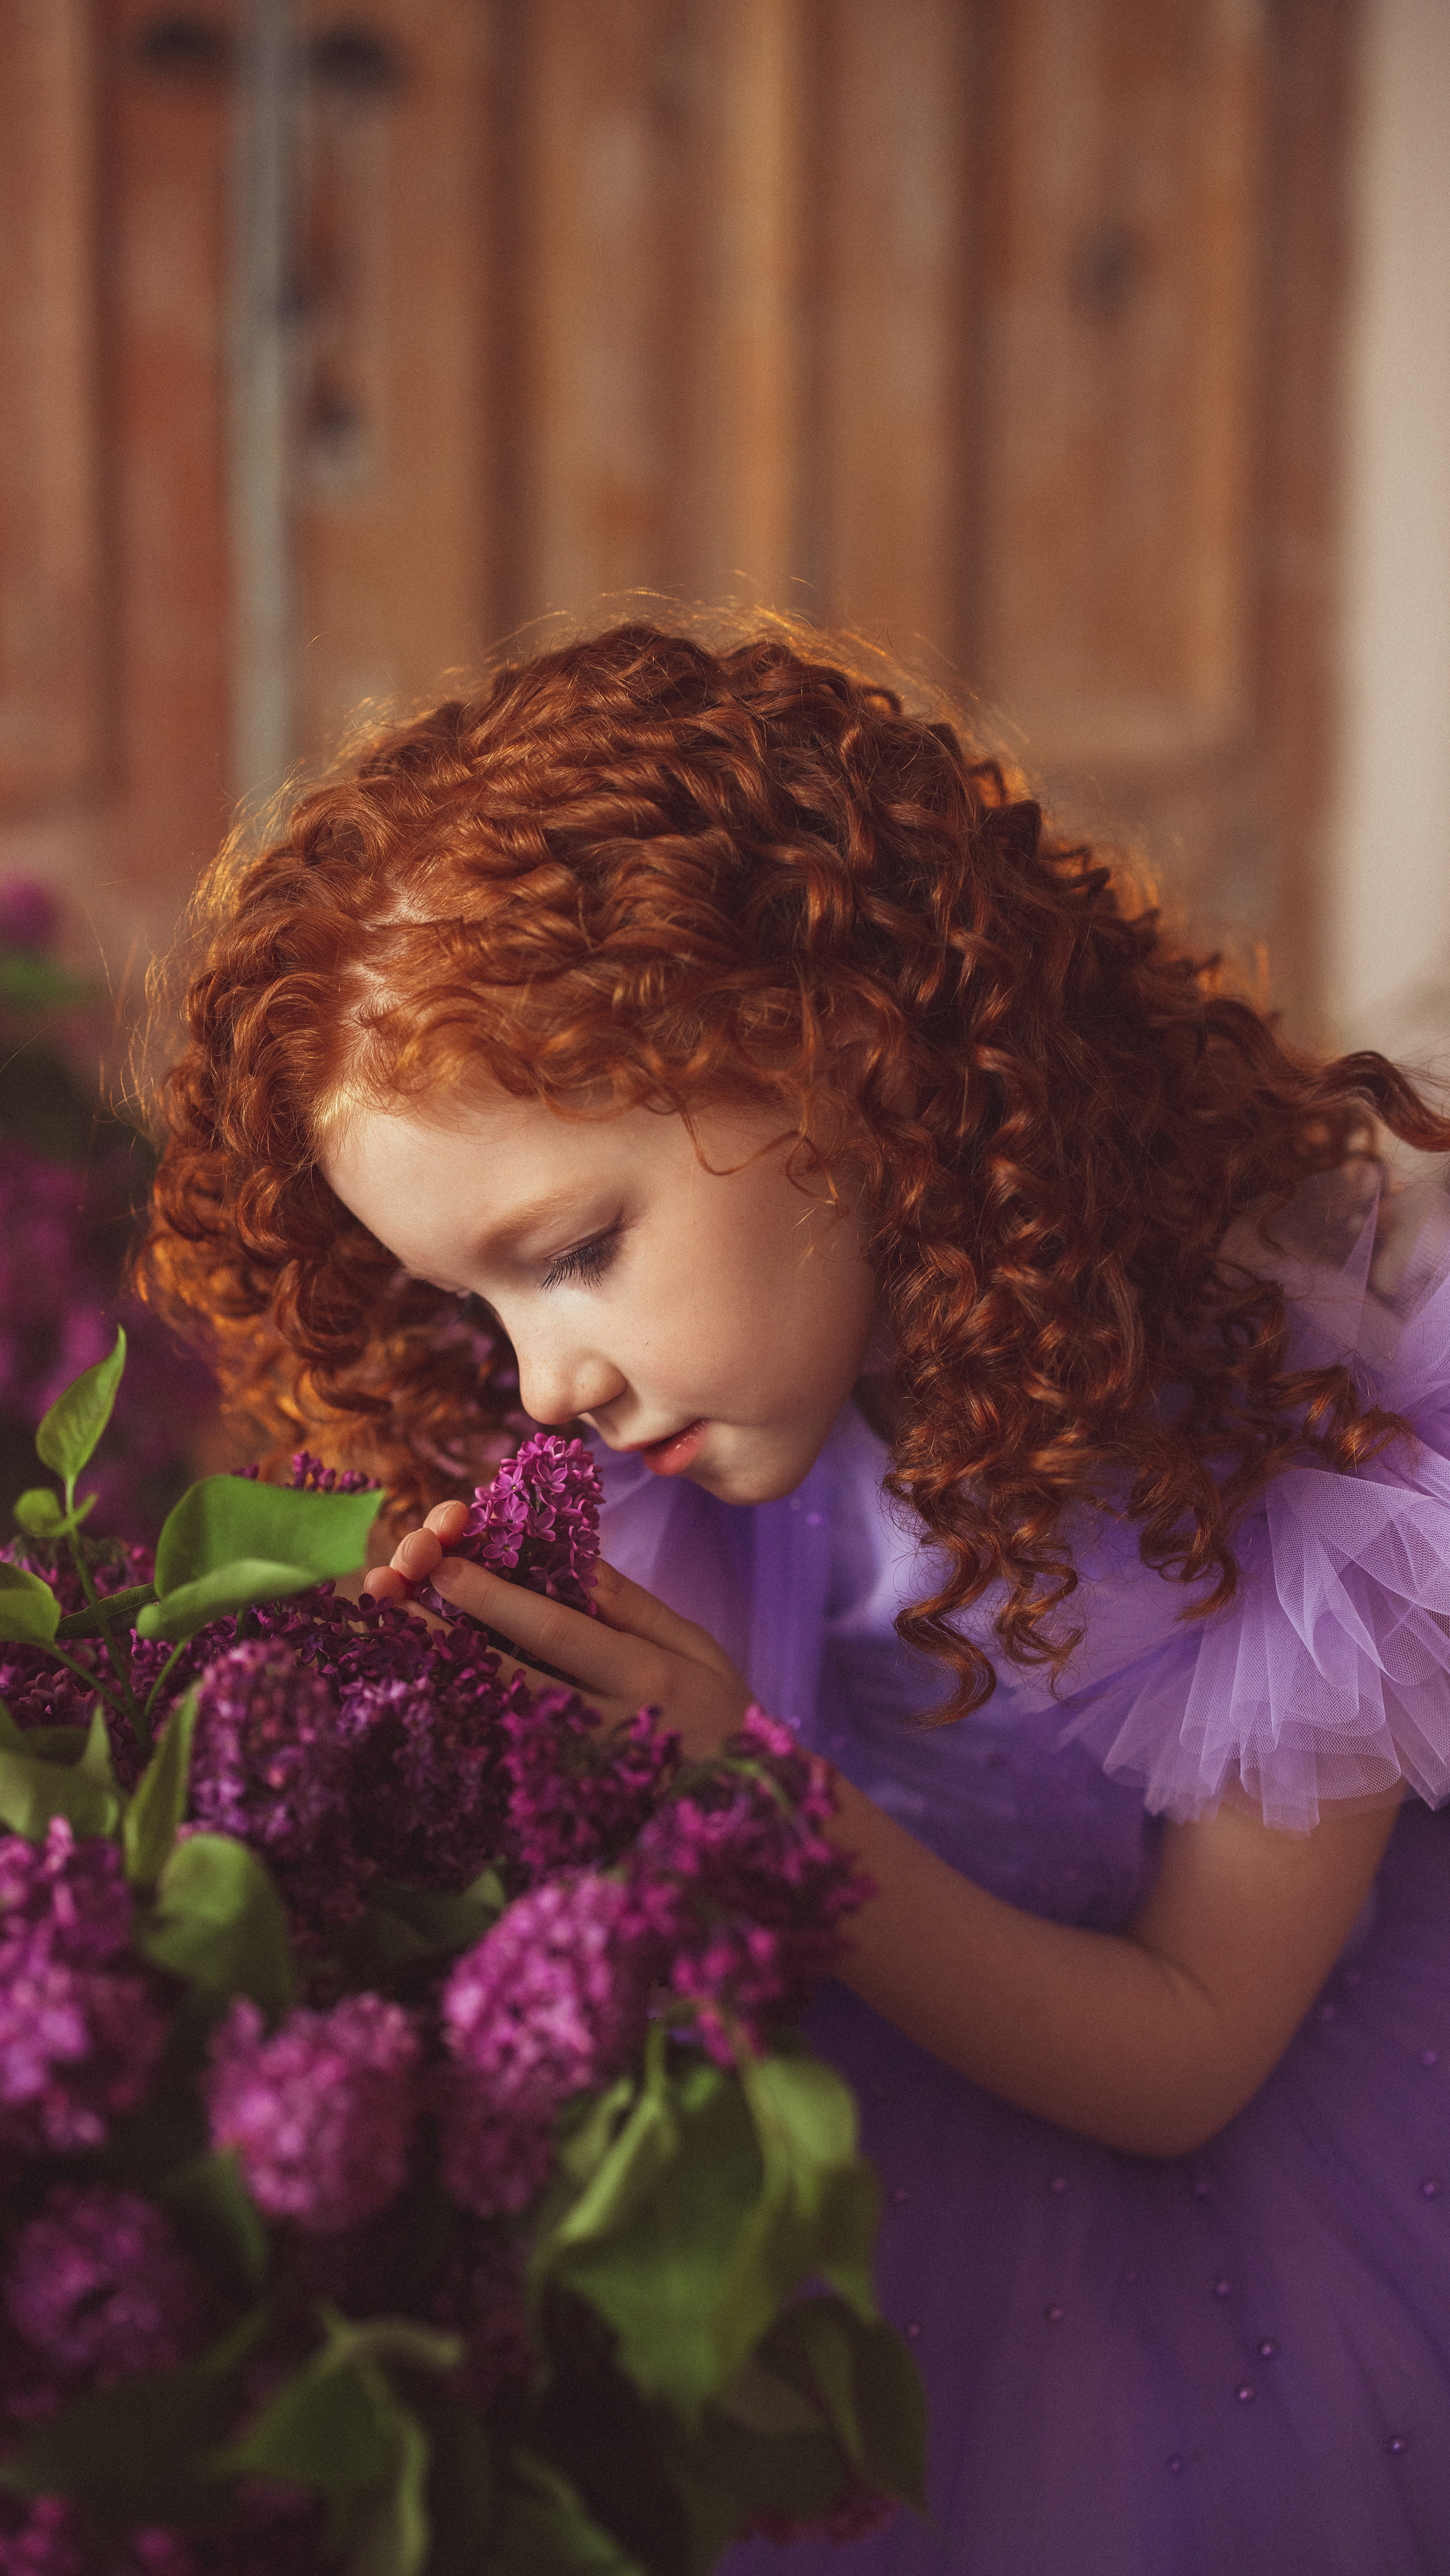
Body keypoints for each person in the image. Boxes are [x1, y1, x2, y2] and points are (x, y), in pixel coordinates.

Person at [142, 622, 1450, 2574]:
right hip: (837, 2150)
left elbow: (1187, 2059)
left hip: (1188, 2246)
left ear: (853, 1067)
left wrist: (744, 1790)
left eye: (574, 1251)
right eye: (476, 1304)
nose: (540, 1383)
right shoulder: (703, 1422)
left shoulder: (1313, 1451)